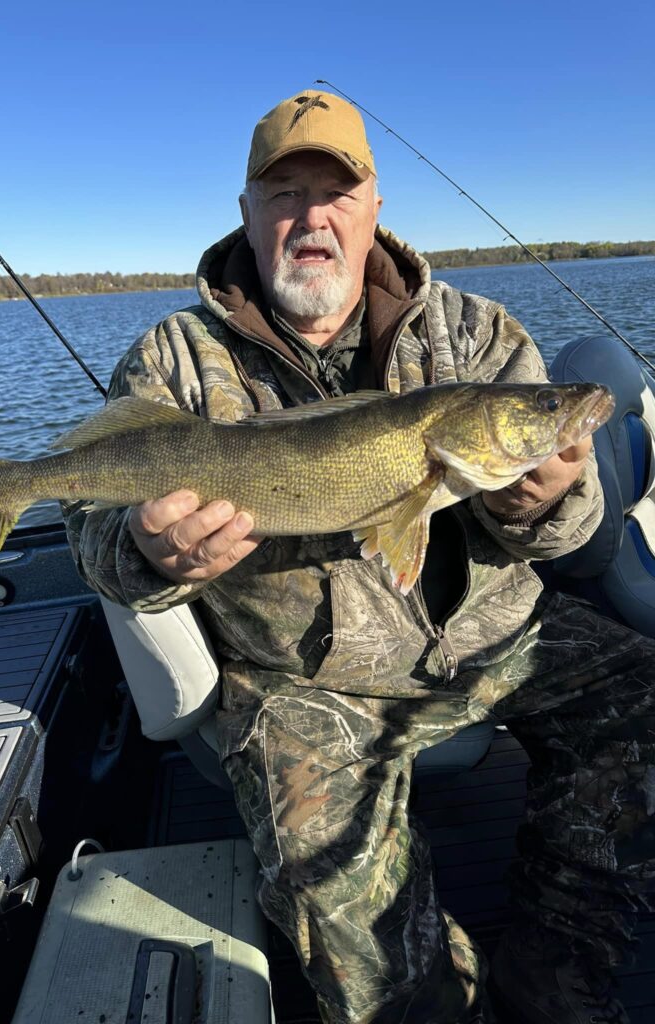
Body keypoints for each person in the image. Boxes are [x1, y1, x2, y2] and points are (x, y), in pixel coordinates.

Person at [64, 90, 655, 1024]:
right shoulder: (174, 361)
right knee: (333, 893)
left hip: (494, 641)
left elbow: (572, 529)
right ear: (249, 213)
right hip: (305, 678)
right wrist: (143, 553)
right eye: (286, 192)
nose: (313, 215)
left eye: (336, 191)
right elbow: (93, 534)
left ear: (375, 205)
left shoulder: (480, 336)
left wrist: (553, 498)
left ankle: (556, 967)